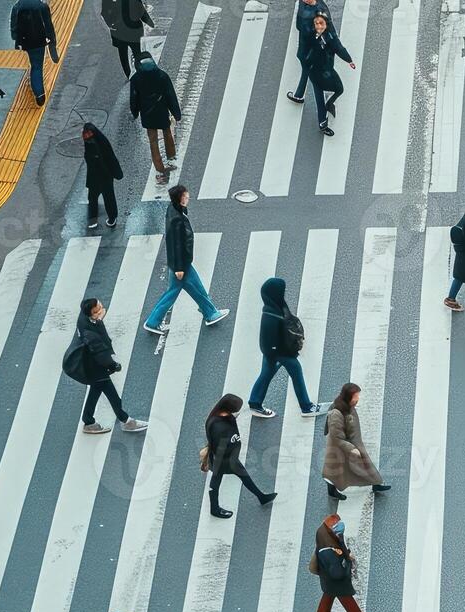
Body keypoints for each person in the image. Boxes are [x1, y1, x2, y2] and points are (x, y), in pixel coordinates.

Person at [143, 185, 229, 336]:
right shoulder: (176, 219)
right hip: (180, 264)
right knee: (173, 293)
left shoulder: (175, 210)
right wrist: (178, 268)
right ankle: (153, 321)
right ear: (180, 199)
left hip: (182, 263)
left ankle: (210, 312)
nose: (188, 197)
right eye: (186, 196)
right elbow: (175, 244)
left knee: (197, 288)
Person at [65, 298, 150, 434]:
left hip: (91, 365)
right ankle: (126, 421)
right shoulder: (91, 334)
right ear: (92, 314)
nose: (102, 308)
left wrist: (98, 320)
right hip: (96, 368)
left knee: (95, 392)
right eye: (98, 309)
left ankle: (88, 421)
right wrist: (114, 365)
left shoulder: (84, 319)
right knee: (112, 396)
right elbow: (101, 355)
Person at [246, 277, 316, 418]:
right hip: (278, 352)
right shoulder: (271, 315)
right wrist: (279, 354)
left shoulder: (273, 306)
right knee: (295, 370)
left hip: (274, 352)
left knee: (267, 373)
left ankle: (255, 402)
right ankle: (306, 407)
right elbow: (269, 340)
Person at [203, 395, 276, 519]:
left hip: (231, 457)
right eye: (235, 409)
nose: (237, 411)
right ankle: (214, 509)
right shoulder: (219, 427)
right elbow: (220, 448)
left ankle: (261, 497)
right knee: (216, 482)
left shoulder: (225, 417)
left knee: (243, 476)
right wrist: (216, 466)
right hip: (223, 459)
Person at [321, 383, 391, 500]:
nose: (357, 399)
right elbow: (336, 437)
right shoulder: (337, 413)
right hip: (342, 447)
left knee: (361, 465)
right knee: (336, 471)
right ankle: (332, 491)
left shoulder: (345, 405)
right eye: (355, 397)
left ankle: (376, 483)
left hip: (351, 443)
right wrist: (351, 448)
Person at [313, 513, 374, 612]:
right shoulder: (329, 552)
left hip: (327, 579)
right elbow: (337, 573)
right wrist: (347, 566)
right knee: (348, 601)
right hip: (336, 581)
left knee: (328, 595)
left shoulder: (325, 541)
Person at [302, 13, 355, 136]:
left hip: (327, 70)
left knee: (339, 89)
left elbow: (339, 49)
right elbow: (306, 54)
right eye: (316, 24)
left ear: (326, 24)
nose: (319, 26)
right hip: (316, 72)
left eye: (321, 23)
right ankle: (323, 123)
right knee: (319, 97)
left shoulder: (330, 37)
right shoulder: (311, 38)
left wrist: (349, 60)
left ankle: (329, 104)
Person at [129, 55, 181, 177]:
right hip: (161, 111)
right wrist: (176, 113)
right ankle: (171, 157)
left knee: (153, 140)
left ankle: (159, 167)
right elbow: (170, 96)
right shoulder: (162, 76)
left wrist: (135, 112)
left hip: (147, 113)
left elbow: (134, 98)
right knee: (167, 133)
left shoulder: (136, 79)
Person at [9, 0, 58, 106]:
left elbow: (14, 26)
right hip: (39, 41)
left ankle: (38, 92)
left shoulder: (17, 7)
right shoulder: (42, 6)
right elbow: (48, 26)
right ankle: (39, 94)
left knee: (34, 64)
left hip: (26, 41)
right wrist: (52, 40)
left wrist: (16, 38)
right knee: (37, 66)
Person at [286, 0, 332, 101]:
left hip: (308, 48)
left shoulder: (303, 5)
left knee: (312, 72)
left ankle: (301, 96)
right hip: (313, 48)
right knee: (311, 71)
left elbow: (298, 25)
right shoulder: (321, 7)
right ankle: (300, 95)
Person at [81, 123, 124, 230]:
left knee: (93, 197)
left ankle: (93, 220)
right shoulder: (102, 141)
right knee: (108, 197)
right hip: (106, 175)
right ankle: (111, 218)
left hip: (96, 176)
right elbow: (111, 157)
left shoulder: (90, 145)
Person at [101, 0, 153, 78]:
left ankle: (128, 75)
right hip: (134, 30)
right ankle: (140, 73)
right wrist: (150, 22)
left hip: (118, 31)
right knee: (137, 52)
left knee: (123, 54)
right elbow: (141, 10)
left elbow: (104, 12)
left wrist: (111, 24)